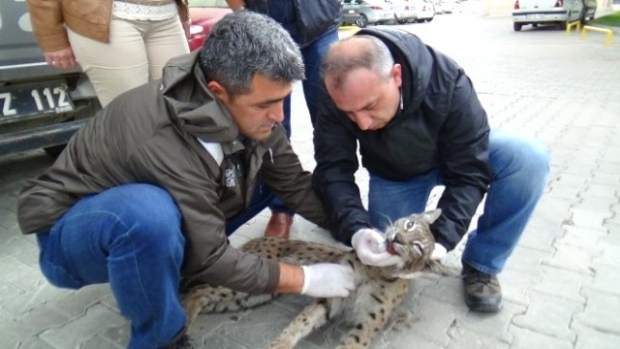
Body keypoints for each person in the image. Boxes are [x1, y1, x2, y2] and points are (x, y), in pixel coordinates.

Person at [17, 12, 356, 349]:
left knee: (268, 178)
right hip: (74, 238)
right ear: (218, 92)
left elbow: (294, 184)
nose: (280, 116)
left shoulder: (244, 108)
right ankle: (161, 337)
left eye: (283, 99)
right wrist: (305, 278)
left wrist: (355, 230)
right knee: (148, 217)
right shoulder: (161, 135)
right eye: (266, 104)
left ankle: (172, 264)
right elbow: (210, 256)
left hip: (162, 202)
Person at [313, 28, 550, 313]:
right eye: (350, 114)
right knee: (385, 256)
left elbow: (469, 174)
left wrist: (442, 239)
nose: (362, 124)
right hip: (396, 172)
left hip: (456, 156)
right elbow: (332, 168)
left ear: (397, 76)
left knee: (526, 158)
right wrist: (354, 228)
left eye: (370, 106)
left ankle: (482, 265)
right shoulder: (335, 95)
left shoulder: (447, 79)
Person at [224, 0, 342, 238]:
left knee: (331, 123)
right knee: (273, 122)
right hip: (265, 25)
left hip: (319, 22)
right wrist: (243, 12)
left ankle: (337, 204)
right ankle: (282, 208)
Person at [26, 0, 191, 107]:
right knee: (130, 114)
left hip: (167, 15)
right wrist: (51, 37)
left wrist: (184, 13)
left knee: (180, 106)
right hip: (106, 16)